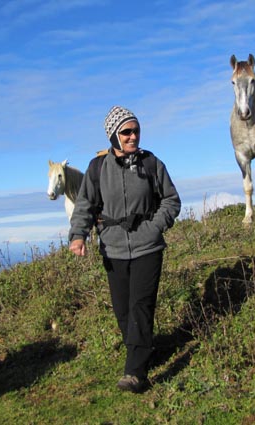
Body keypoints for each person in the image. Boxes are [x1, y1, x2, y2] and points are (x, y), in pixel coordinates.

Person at [68, 106, 181, 393]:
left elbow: (171, 200)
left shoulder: (151, 163)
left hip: (148, 247)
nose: (133, 136)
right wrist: (79, 236)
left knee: (141, 305)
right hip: (113, 248)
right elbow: (85, 206)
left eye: (136, 130)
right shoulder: (97, 168)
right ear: (113, 136)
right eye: (126, 132)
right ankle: (143, 350)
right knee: (122, 311)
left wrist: (154, 227)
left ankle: (135, 372)